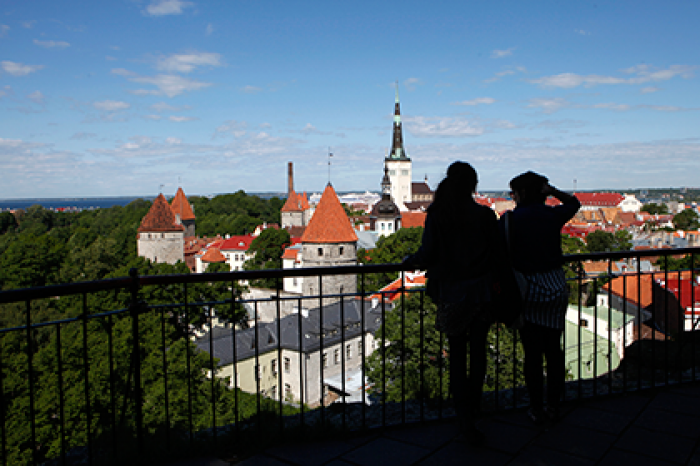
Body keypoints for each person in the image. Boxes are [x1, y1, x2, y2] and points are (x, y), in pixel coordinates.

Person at [405, 161, 498, 446]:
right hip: (482, 293)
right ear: (473, 185)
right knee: (479, 353)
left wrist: (410, 261)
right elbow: (497, 253)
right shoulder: (484, 215)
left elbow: (428, 251)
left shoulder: (439, 214)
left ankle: (463, 416)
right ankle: (475, 406)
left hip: (453, 293)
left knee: (457, 356)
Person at [502, 171, 580, 423]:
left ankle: (536, 407)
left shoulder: (511, 219)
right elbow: (574, 203)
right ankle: (554, 405)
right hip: (556, 285)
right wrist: (552, 190)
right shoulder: (552, 215)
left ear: (521, 194)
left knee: (532, 354)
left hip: (529, 289)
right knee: (554, 351)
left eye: (514, 193)